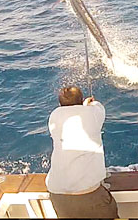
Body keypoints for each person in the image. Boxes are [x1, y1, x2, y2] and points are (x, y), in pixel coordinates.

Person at [45, 86, 119, 218]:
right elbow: (98, 107)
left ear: (60, 103)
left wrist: (83, 105)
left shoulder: (54, 116)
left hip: (57, 193)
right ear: (81, 99)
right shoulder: (92, 114)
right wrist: (91, 103)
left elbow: (72, 113)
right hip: (87, 193)